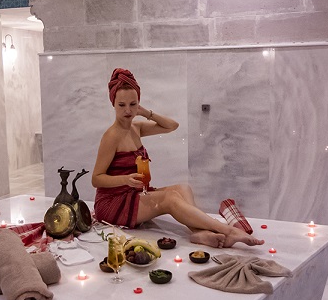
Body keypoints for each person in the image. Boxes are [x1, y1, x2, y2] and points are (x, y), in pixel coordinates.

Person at [91, 68, 264, 248]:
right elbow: (96, 179)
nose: (128, 110)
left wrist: (146, 113)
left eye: (133, 104)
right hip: (113, 203)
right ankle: (229, 231)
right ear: (113, 103)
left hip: (134, 193)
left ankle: (199, 233)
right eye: (121, 105)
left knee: (183, 189)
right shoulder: (111, 136)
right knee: (170, 199)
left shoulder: (136, 128)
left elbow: (172, 126)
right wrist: (125, 179)